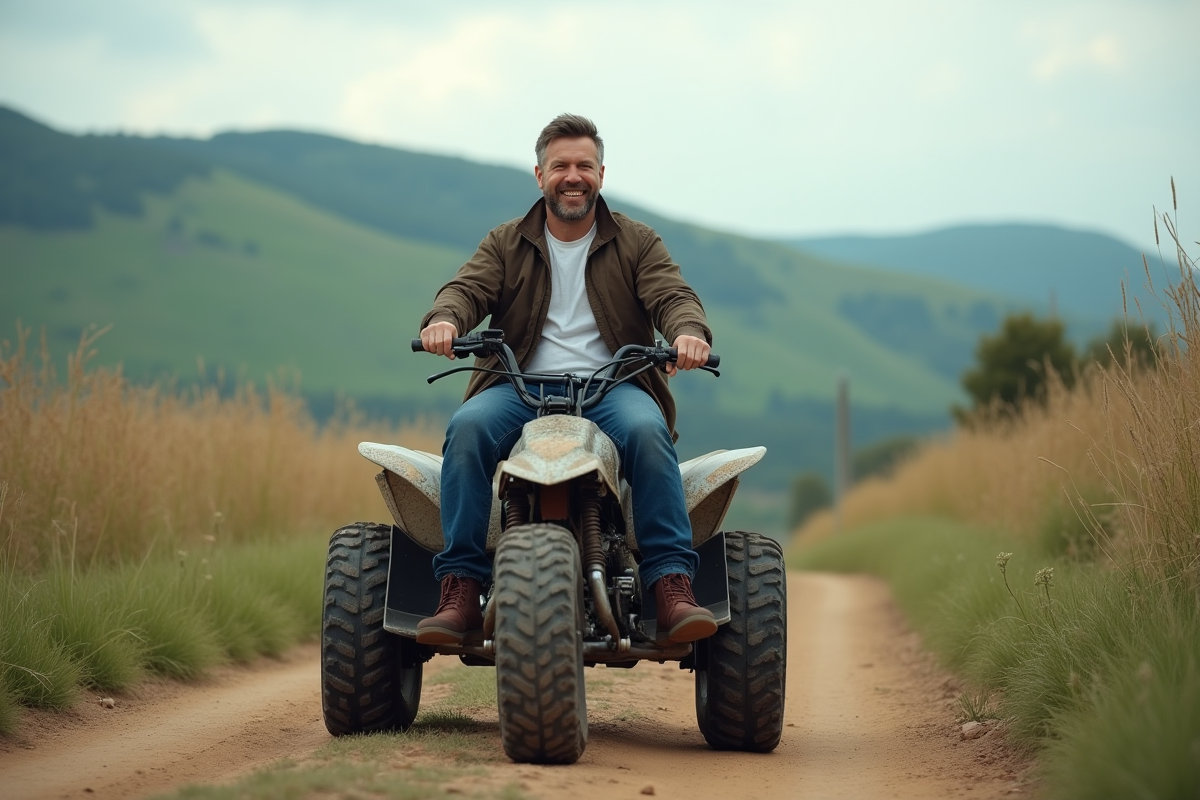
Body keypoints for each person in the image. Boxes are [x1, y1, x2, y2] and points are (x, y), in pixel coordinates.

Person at [415, 113, 717, 648]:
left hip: (612, 388)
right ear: (539, 175)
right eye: (560, 166)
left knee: (648, 434)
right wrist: (445, 321)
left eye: (584, 165)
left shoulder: (637, 241)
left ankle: (671, 585)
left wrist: (688, 333)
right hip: (519, 388)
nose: (572, 176)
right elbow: (466, 289)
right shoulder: (506, 241)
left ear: (602, 173)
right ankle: (460, 585)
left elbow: (673, 297)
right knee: (466, 429)